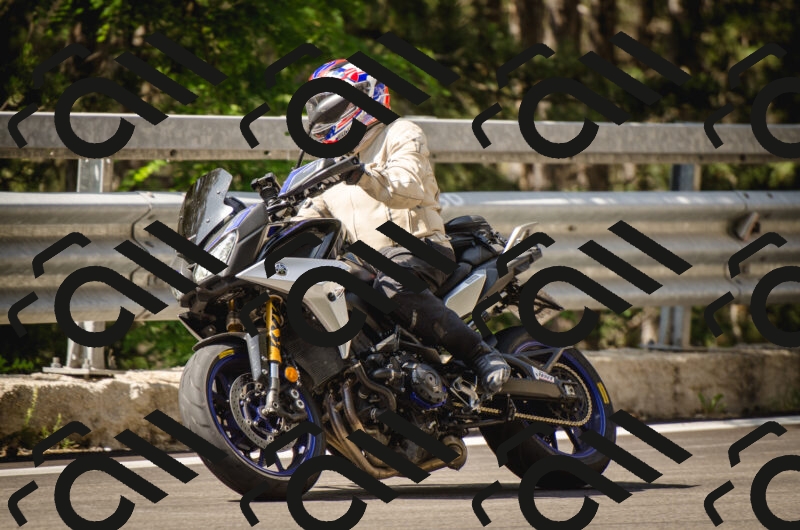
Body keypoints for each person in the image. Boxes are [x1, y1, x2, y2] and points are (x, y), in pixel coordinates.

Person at [293, 59, 511, 393]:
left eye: (332, 106)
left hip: (420, 248)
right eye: (319, 109)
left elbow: (408, 185)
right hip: (364, 265)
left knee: (394, 280)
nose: (324, 117)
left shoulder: (400, 133)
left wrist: (363, 174)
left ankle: (480, 354)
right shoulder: (327, 164)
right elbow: (307, 217)